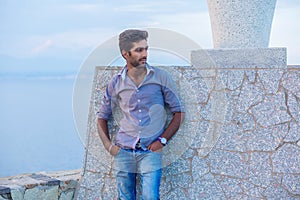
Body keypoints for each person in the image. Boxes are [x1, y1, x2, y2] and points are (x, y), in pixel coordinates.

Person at [97, 29, 185, 200]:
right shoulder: (116, 82)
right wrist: (109, 147)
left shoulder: (161, 77)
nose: (145, 54)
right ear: (125, 54)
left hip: (150, 152)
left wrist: (162, 140)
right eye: (139, 50)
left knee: (151, 197)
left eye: (146, 49)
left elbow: (179, 112)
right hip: (123, 151)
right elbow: (102, 117)